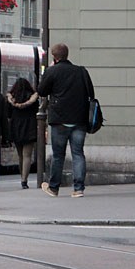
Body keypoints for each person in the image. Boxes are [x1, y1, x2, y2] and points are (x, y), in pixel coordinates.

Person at [37, 43, 94, 198]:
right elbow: (91, 92)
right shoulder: (81, 71)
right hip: (79, 120)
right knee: (78, 153)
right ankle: (78, 189)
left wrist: (48, 71)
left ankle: (54, 188)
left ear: (54, 57)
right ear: (67, 55)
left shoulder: (52, 71)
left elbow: (41, 90)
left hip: (59, 120)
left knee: (58, 155)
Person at [5, 77, 39, 189]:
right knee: (27, 155)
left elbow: (8, 114)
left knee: (20, 155)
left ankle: (21, 177)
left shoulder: (12, 98)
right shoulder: (32, 98)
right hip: (30, 126)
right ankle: (24, 180)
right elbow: (36, 111)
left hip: (16, 127)